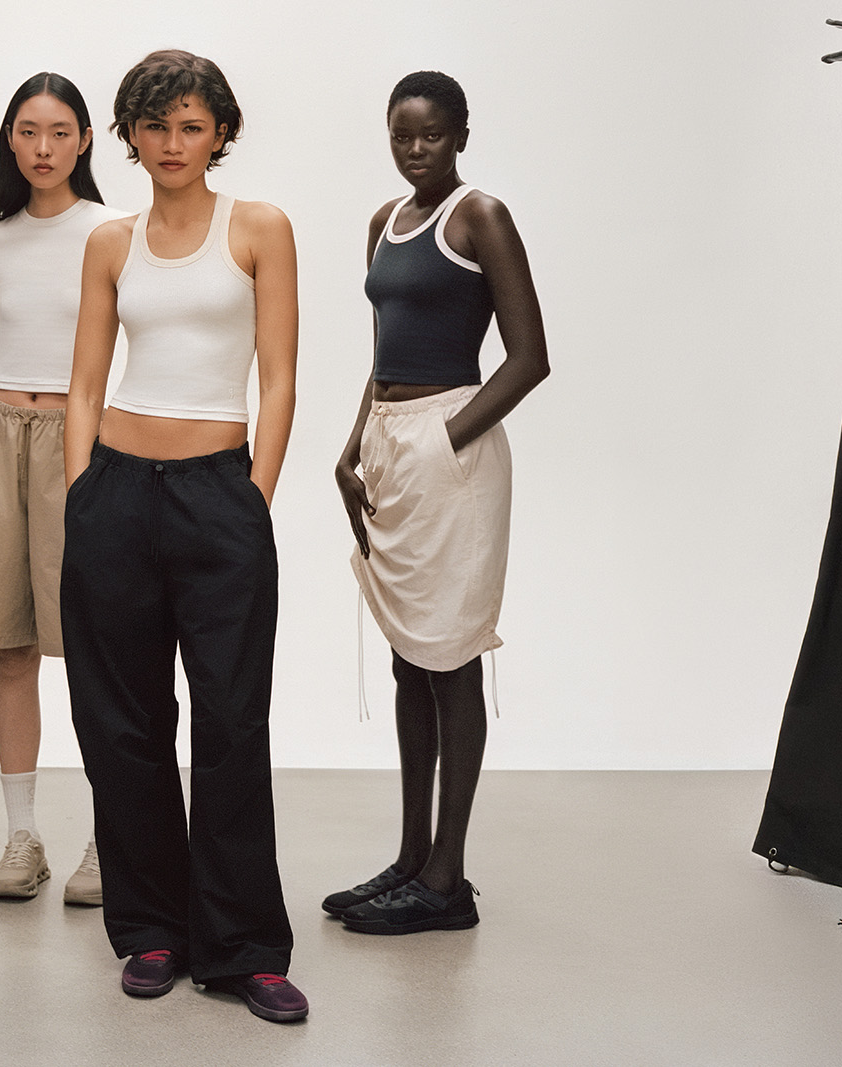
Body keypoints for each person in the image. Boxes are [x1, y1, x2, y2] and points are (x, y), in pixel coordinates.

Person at [61, 49, 306, 1023]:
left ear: (219, 134)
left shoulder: (259, 229)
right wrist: (83, 491)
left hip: (219, 493)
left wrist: (253, 497)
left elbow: (279, 376)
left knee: (232, 720)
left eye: (191, 126)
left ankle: (244, 944)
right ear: (129, 134)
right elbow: (83, 380)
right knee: (122, 724)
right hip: (116, 492)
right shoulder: (108, 244)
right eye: (156, 126)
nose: (172, 144)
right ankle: (152, 927)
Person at [329, 70, 549, 935]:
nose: (414, 150)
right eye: (400, 136)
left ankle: (447, 880)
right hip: (388, 437)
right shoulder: (382, 224)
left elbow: (529, 357)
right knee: (405, 655)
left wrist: (447, 435)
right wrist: (354, 445)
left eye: (430, 135)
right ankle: (412, 855)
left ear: (460, 133)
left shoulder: (480, 216)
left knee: (449, 655)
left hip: (447, 448)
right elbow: (382, 348)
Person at [0, 72, 127, 905]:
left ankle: (109, 840)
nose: (41, 148)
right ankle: (23, 837)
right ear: (9, 140)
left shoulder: (113, 231)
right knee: (14, 647)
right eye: (25, 131)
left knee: (96, 648)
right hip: (1, 435)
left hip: (83, 445)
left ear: (84, 139)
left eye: (58, 132)